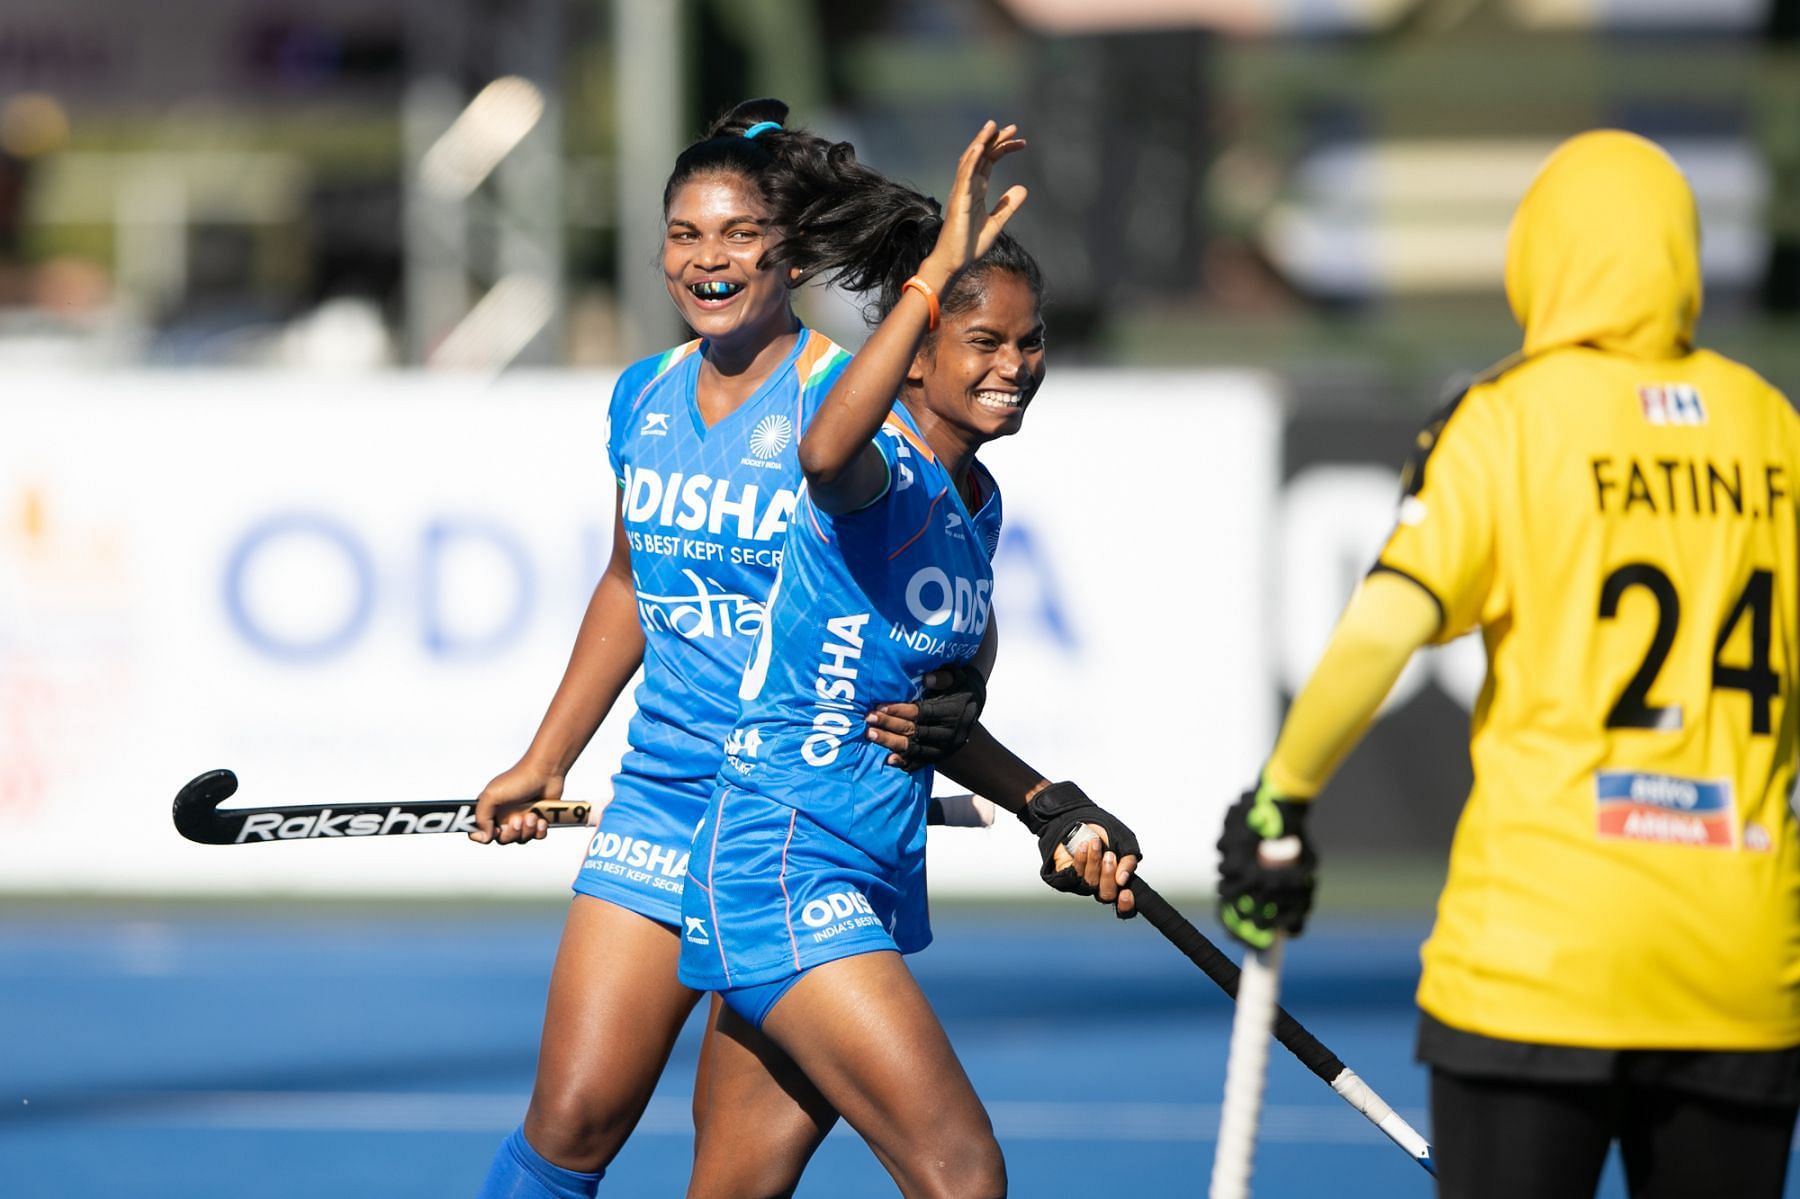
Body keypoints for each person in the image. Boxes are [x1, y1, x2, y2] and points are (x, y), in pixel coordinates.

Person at [1215, 129, 1800, 1199]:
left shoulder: (1508, 420)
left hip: (1538, 956)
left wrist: (1280, 798)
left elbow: (1383, 629)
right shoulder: (1775, 428)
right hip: (1742, 959)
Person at [467, 99, 993, 1199]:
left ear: (790, 253)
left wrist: (961, 709)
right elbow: (628, 583)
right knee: (571, 1121)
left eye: (739, 235)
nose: (708, 261)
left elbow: (930, 603)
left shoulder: (843, 405)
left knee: (743, 1180)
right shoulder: (642, 393)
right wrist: (546, 755)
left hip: (783, 819)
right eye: (685, 235)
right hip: (661, 800)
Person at [675, 121, 1140, 1199]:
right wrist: (934, 275)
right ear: (920, 349)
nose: (1014, 366)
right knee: (962, 1172)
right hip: (787, 856)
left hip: (866, 864)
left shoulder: (979, 501)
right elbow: (822, 449)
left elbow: (934, 715)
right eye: (985, 342)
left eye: (1029, 343)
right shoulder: (879, 464)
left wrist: (1052, 805)